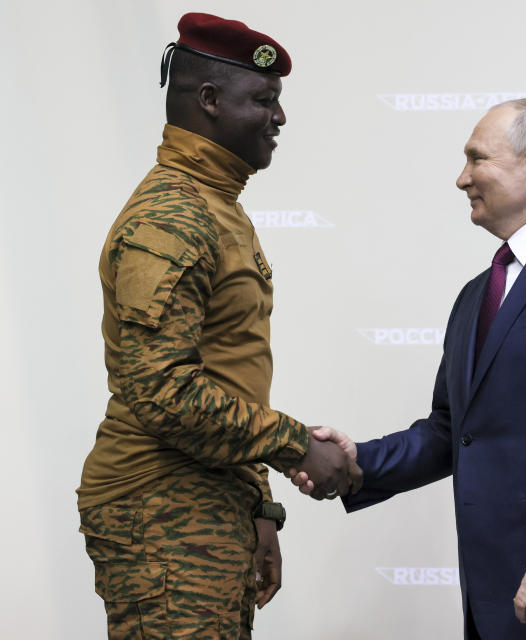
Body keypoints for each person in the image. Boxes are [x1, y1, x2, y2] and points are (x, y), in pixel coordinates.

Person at [292, 99, 526, 639]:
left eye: (477, 159)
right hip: (496, 596)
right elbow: (452, 432)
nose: (461, 178)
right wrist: (358, 463)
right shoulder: (476, 295)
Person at [76, 13, 361, 639]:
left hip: (207, 496)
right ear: (208, 101)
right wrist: (294, 444)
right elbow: (164, 392)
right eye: (263, 99)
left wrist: (257, 503)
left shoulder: (216, 206)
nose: (279, 117)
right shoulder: (173, 217)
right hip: (160, 502)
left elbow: (226, 374)